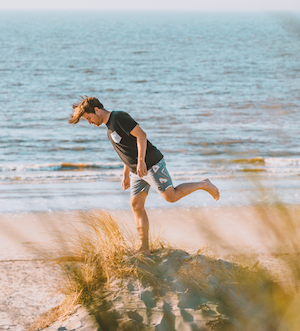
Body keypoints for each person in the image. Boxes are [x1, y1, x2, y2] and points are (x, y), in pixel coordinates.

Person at [69, 96, 220, 254]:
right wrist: (126, 174)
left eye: (88, 118)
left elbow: (141, 135)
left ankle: (203, 184)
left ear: (96, 110)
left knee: (171, 196)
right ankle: (144, 247)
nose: (89, 122)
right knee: (136, 205)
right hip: (136, 171)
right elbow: (127, 151)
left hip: (151, 164)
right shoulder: (109, 128)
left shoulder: (118, 117)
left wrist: (141, 161)